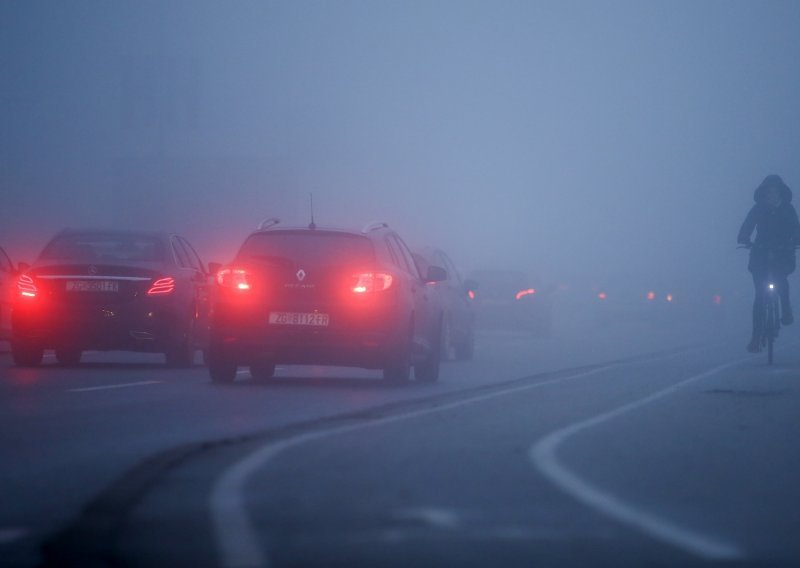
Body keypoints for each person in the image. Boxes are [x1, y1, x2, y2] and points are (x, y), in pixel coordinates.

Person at [737, 175, 800, 352]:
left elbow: (796, 228)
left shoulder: (788, 210)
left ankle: (786, 311)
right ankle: (756, 338)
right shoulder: (758, 209)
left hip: (783, 253)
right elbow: (747, 225)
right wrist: (744, 238)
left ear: (780, 193)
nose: (771, 195)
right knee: (759, 296)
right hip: (761, 254)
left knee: (781, 279)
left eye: (775, 192)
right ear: (764, 194)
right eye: (768, 192)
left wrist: (794, 241)